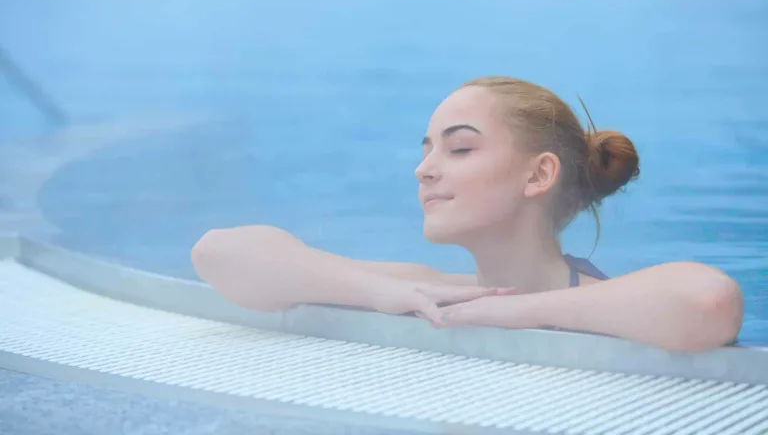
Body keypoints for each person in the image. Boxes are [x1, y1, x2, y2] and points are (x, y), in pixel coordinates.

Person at [191, 76, 743, 352]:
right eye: (426, 148)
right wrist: (378, 293)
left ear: (537, 176)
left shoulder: (607, 303)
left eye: (458, 149)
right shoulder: (436, 291)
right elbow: (220, 252)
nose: (424, 170)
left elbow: (709, 300)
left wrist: (508, 313)